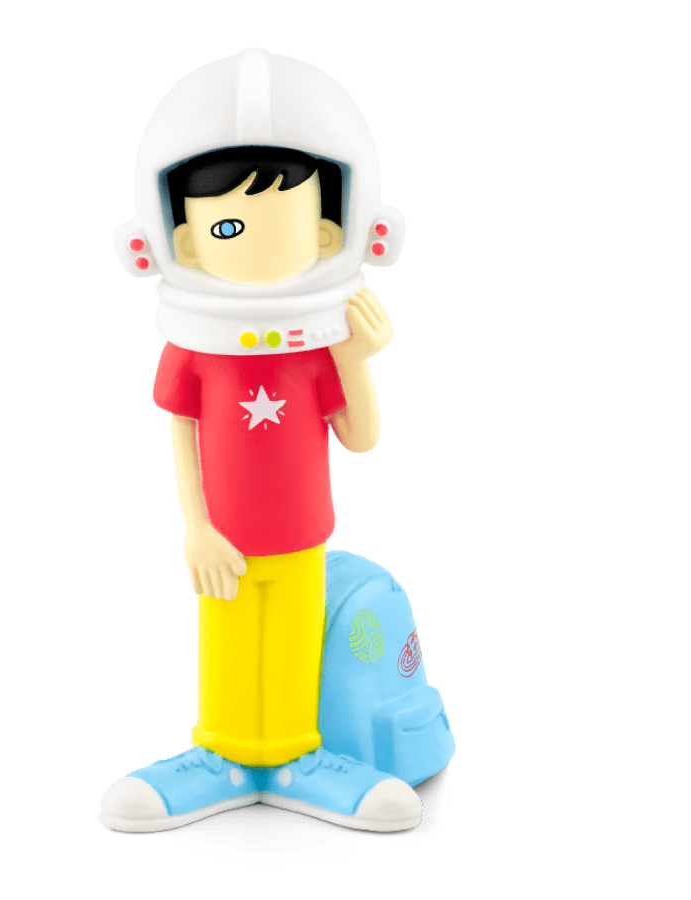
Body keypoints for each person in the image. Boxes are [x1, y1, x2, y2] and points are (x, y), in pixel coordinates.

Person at [100, 48, 418, 834]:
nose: (252, 243)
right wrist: (197, 528)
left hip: (302, 536)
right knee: (229, 644)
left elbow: (362, 438)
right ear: (180, 239)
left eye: (284, 219)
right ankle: (223, 756)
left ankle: (297, 757)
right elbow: (182, 434)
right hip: (226, 540)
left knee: (292, 644)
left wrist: (356, 355)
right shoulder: (194, 349)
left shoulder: (319, 348)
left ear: (332, 228)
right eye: (227, 226)